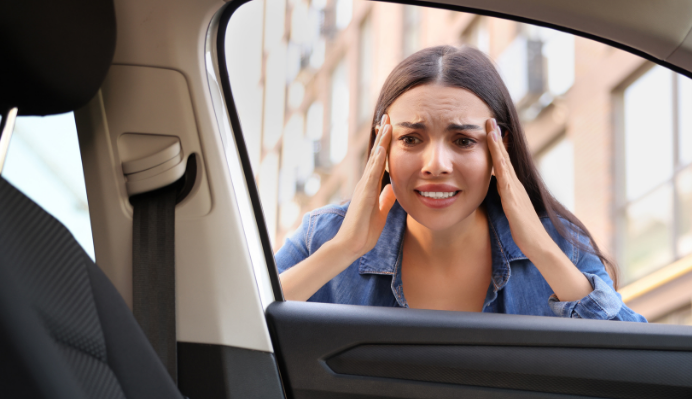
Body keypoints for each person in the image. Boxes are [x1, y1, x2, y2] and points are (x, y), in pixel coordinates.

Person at [275, 45, 646, 322]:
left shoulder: (560, 244)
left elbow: (640, 369)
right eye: (410, 139)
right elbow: (229, 333)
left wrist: (542, 250)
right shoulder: (321, 237)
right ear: (382, 147)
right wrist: (343, 250)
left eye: (464, 141)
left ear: (499, 151)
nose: (436, 165)